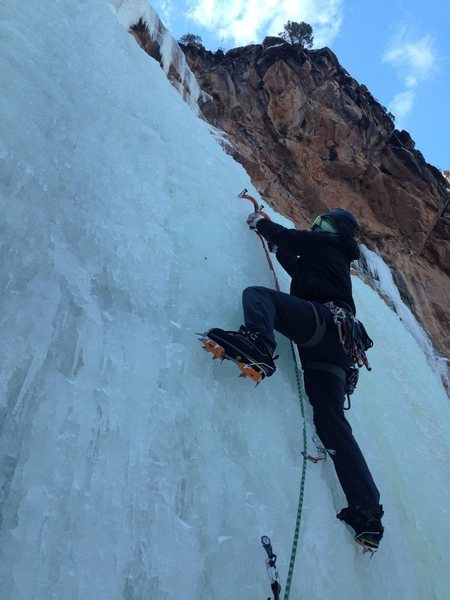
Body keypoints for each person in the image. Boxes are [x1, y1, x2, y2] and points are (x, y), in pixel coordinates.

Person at [205, 207, 384, 550]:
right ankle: (367, 512)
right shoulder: (328, 260)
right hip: (337, 347)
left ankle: (258, 345)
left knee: (258, 296)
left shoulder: (327, 244)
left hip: (323, 325)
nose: (314, 225)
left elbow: (288, 238)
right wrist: (272, 241)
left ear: (329, 228)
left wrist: (260, 222)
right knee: (331, 421)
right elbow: (292, 259)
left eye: (320, 223)